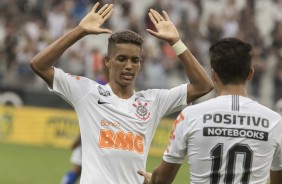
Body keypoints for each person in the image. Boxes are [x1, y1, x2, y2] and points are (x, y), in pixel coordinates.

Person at [30, 3, 213, 183]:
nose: (128, 66)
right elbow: (39, 65)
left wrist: (176, 42)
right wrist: (80, 31)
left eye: (135, 60)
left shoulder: (153, 101)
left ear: (140, 63)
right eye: (122, 59)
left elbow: (203, 85)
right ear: (108, 61)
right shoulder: (87, 92)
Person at [138, 38, 282, 184]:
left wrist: (152, 179)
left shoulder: (190, 116)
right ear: (250, 73)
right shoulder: (274, 121)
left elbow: (162, 178)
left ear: (213, 74)